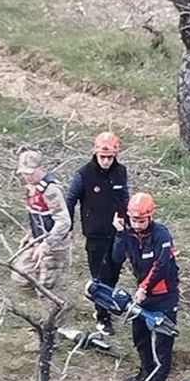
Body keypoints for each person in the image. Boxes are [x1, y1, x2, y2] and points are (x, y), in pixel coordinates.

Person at [112, 191, 179, 381]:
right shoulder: (129, 234)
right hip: (143, 294)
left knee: (162, 341)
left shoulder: (161, 235)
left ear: (150, 217)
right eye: (134, 220)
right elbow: (116, 258)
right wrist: (121, 234)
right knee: (139, 335)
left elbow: (162, 265)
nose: (138, 224)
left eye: (141, 220)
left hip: (164, 294)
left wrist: (144, 288)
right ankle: (146, 373)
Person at [66, 131, 129, 332]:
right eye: (103, 157)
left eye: (110, 157)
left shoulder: (121, 172)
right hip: (95, 234)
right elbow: (70, 199)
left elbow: (125, 197)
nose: (106, 161)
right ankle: (103, 317)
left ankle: (104, 307)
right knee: (100, 277)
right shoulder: (83, 174)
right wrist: (68, 225)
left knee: (114, 274)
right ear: (95, 153)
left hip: (117, 233)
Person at [15, 149, 71, 297]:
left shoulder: (50, 190)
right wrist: (29, 234)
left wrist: (47, 244)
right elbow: (34, 214)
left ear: (40, 168)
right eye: (24, 173)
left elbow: (64, 221)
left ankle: (54, 315)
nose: (27, 176)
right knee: (20, 275)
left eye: (30, 172)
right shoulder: (31, 188)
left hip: (54, 245)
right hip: (36, 240)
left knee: (47, 291)